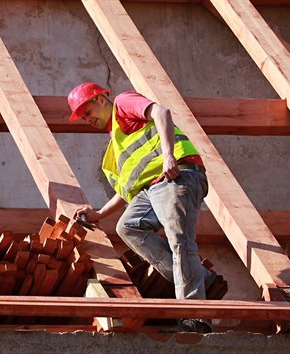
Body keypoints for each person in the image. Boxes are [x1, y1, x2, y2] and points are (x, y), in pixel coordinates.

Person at [68, 82, 216, 333]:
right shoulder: (114, 147)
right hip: (151, 189)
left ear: (101, 99)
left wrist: (169, 155)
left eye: (87, 111)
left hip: (176, 175)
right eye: (82, 117)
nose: (86, 119)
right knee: (128, 227)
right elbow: (126, 191)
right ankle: (199, 276)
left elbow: (161, 112)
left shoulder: (124, 104)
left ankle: (195, 316)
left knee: (180, 240)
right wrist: (100, 214)